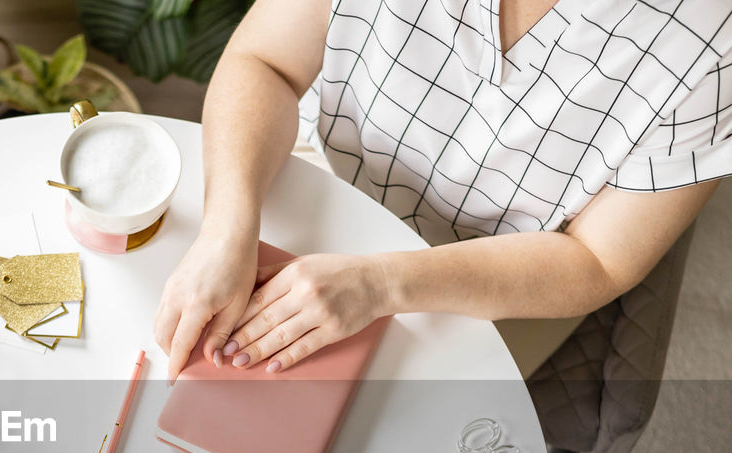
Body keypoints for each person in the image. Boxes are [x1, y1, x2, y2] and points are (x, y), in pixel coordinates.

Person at [154, 0, 730, 380]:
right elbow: (265, 62)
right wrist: (227, 225)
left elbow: (598, 260)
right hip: (316, 180)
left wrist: (379, 283)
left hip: (499, 280)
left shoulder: (713, 40)